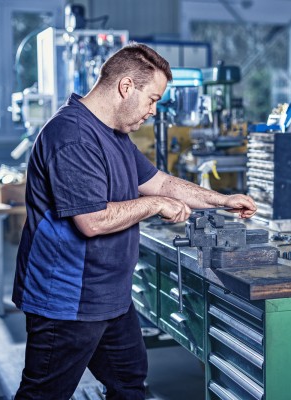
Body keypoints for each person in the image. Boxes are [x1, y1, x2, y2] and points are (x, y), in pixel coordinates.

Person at [13, 42, 257, 399]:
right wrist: (155, 205)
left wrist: (222, 201)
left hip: (109, 297)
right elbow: (93, 221)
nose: (153, 111)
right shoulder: (73, 136)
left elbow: (161, 182)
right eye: (152, 99)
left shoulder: (115, 135)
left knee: (128, 383)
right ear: (126, 87)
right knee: (44, 394)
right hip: (66, 300)